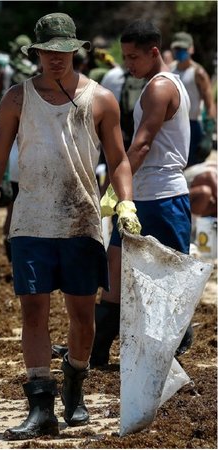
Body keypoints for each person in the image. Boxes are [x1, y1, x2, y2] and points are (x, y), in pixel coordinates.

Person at [0, 13, 139, 439]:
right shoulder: (16, 98)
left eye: (64, 51)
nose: (57, 59)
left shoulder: (100, 99)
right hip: (31, 222)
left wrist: (125, 201)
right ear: (37, 53)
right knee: (33, 311)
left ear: (75, 51)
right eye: (49, 51)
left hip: (82, 222)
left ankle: (75, 388)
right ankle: (40, 405)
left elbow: (118, 159)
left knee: (83, 316)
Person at [91, 20, 194, 367]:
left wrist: (115, 188)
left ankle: (173, 347)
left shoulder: (159, 88)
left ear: (154, 52)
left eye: (133, 57)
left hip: (163, 196)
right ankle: (97, 351)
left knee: (165, 276)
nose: (128, 64)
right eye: (125, 57)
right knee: (115, 265)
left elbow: (142, 144)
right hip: (143, 194)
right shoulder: (153, 84)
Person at [170, 31, 217, 167]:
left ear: (191, 49)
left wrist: (208, 134)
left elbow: (210, 104)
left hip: (192, 126)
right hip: (172, 126)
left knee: (191, 168)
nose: (180, 52)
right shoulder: (170, 70)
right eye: (177, 49)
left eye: (183, 49)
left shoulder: (198, 73)